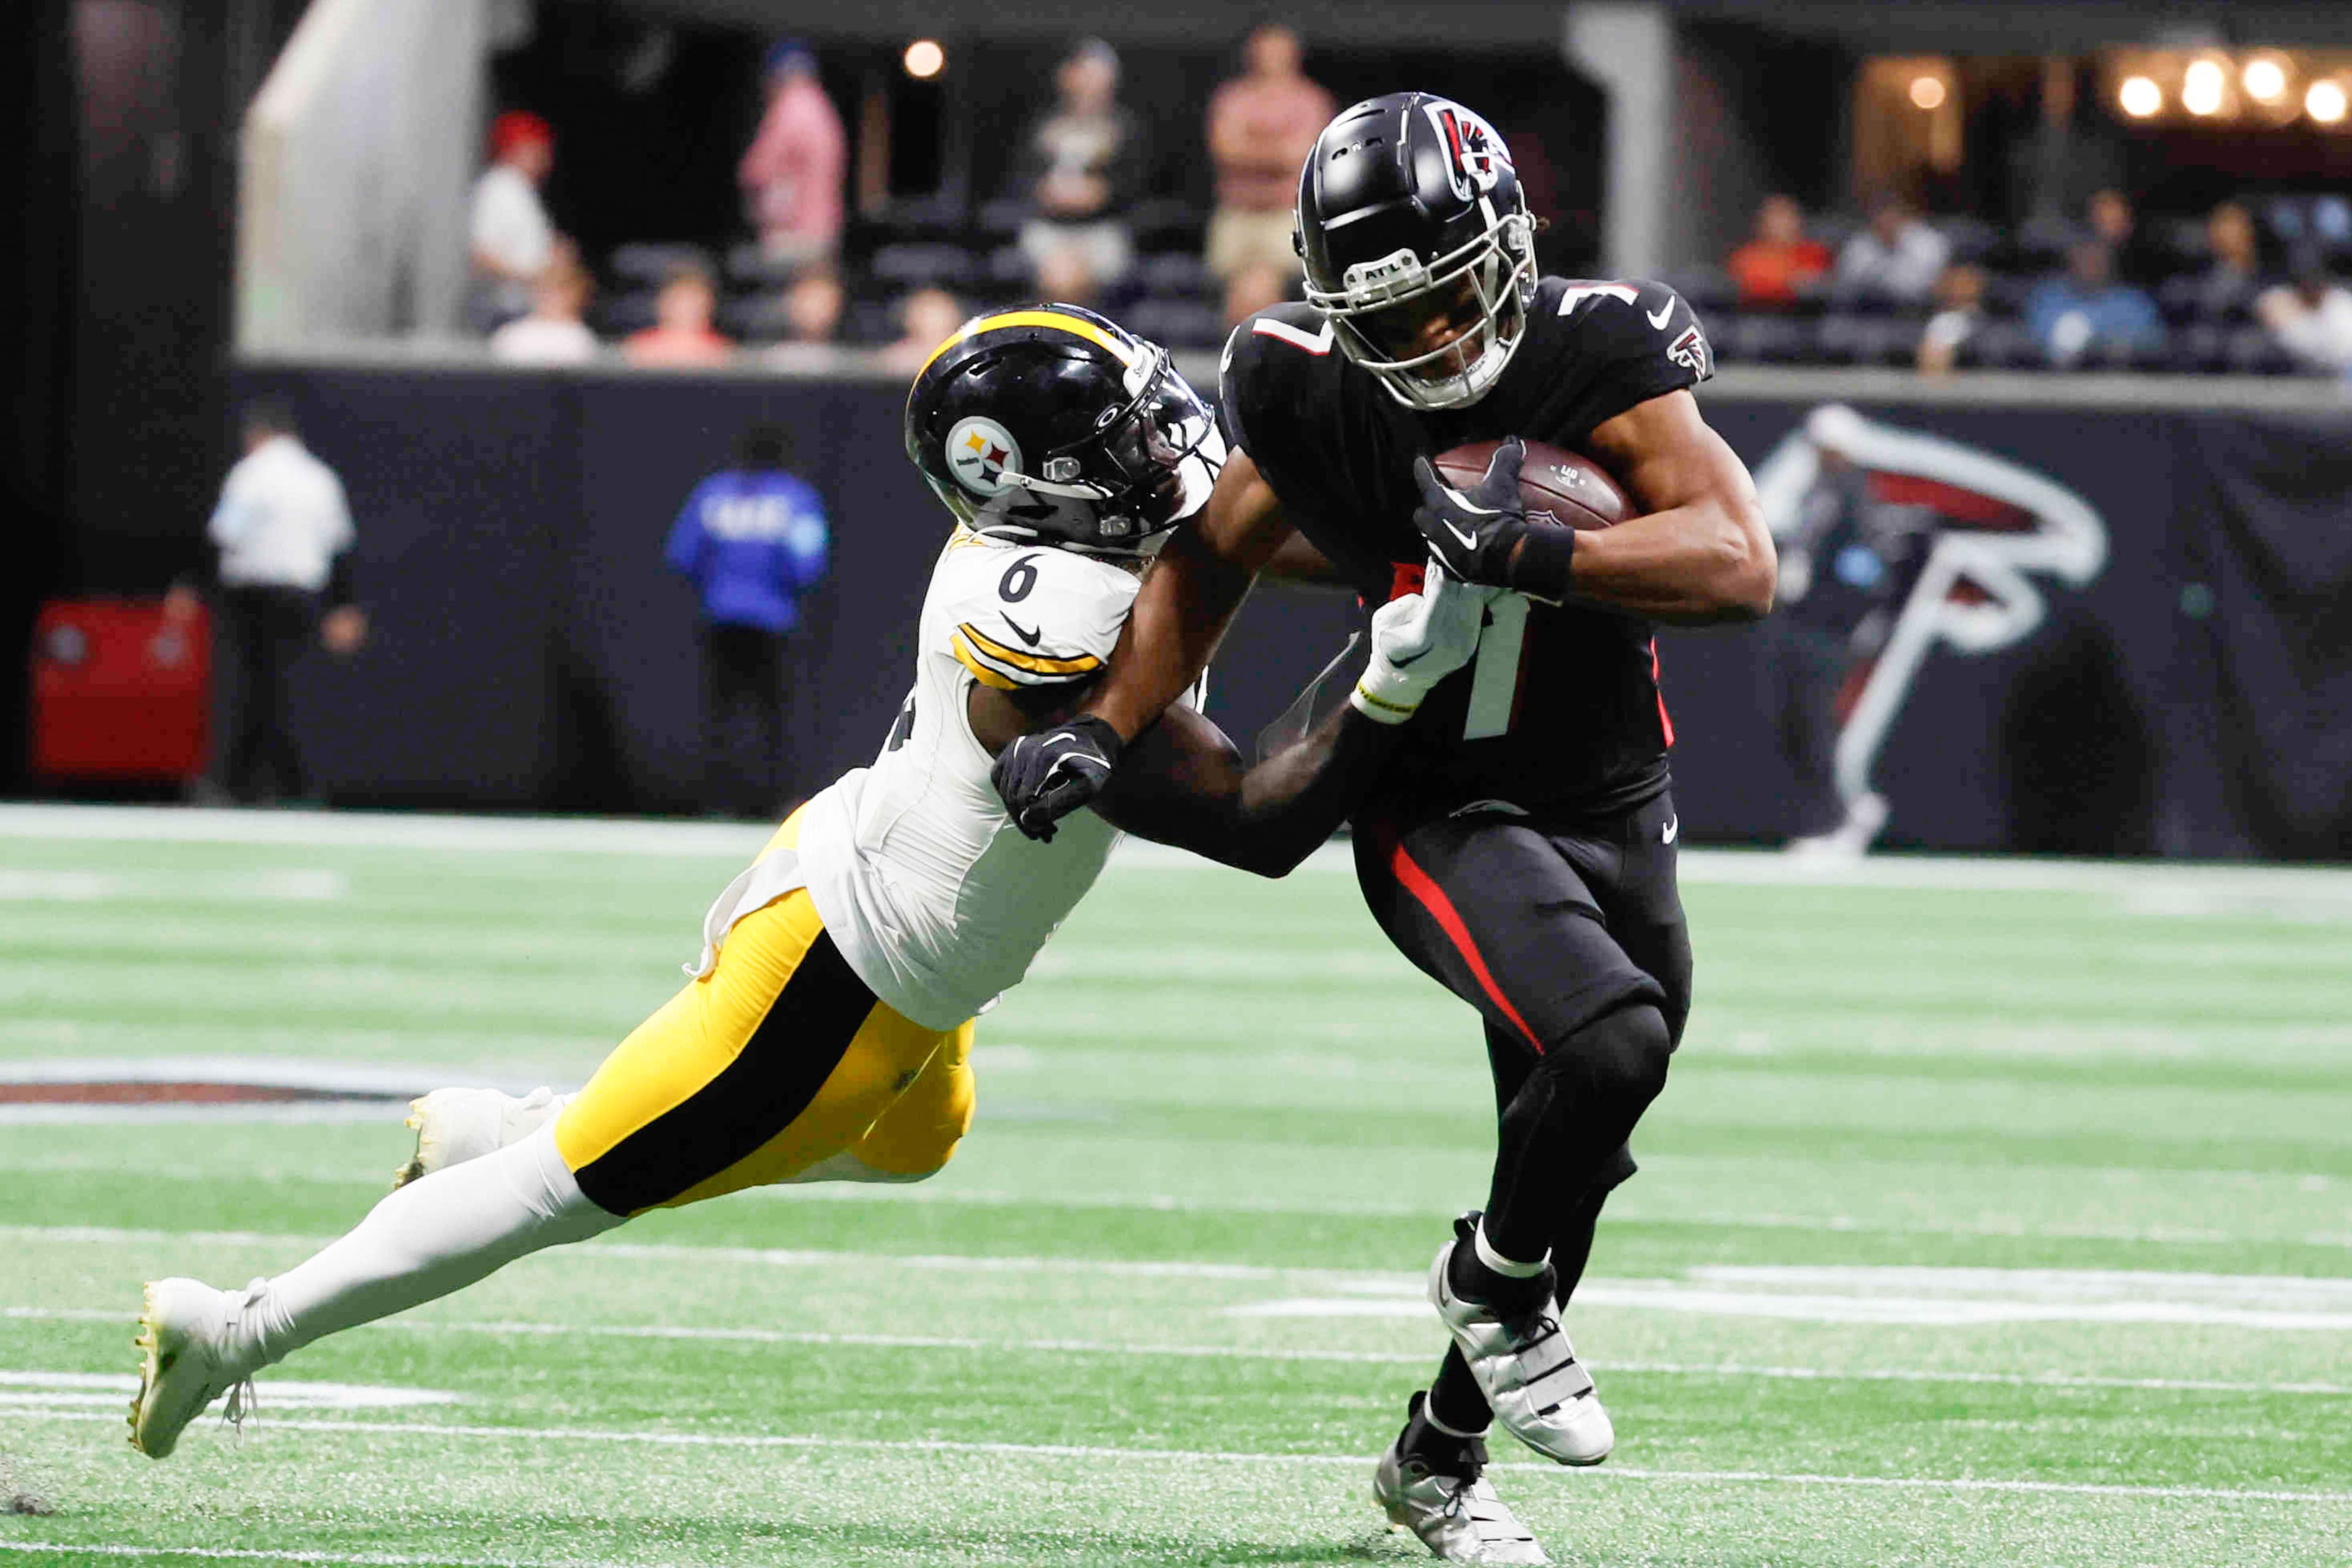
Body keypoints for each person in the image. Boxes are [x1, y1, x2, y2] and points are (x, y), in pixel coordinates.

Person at [126, 306, 1488, 1474]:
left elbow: (1250, 530)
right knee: (564, 1193)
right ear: (1043, 484)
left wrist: (1445, 528)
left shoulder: (1078, 537)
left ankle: (522, 1121)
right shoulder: (1044, 634)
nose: (1166, 447)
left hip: (876, 905)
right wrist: (1391, 679)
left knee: (919, 1138)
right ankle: (233, 1324)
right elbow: (1259, 819)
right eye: (1129, 440)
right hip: (836, 984)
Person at [989, 94, 1773, 1565]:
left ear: (1510, 247)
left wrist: (1537, 547)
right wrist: (1103, 719)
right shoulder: (1297, 379)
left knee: (1575, 1140)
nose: (1425, 345)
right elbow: (1207, 554)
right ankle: (1483, 1275)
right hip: (1432, 791)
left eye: (1448, 302)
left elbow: (1739, 561)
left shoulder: (1599, 346)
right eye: (1388, 318)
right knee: (1602, 1045)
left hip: (1611, 794)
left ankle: (1439, 1458)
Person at [167, 402, 367, 805]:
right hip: (301, 596)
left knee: (255, 690)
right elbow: (339, 549)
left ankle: (257, 783)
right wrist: (342, 606)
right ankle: (270, 784)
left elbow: (225, 535)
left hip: (255, 596)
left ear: (258, 435)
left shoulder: (251, 475)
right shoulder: (319, 479)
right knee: (280, 690)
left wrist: (190, 585)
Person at [664, 425, 831, 817]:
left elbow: (682, 554)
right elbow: (809, 563)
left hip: (721, 617)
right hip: (773, 621)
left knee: (721, 716)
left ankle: (718, 803)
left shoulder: (713, 493)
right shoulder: (796, 499)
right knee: (776, 717)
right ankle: (780, 804)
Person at [1015, 40, 1145, 305]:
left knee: (1079, 276)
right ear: (1067, 77)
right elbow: (1022, 176)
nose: (1090, 83)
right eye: (1083, 73)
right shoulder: (1043, 124)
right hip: (1048, 228)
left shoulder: (1126, 128)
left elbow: (1136, 182)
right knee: (1059, 275)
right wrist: (1044, 191)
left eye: (1098, 75)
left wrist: (1103, 193)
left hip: (1103, 230)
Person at [1204, 24, 1332, 285]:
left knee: (1264, 290)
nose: (1271, 57)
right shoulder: (1233, 98)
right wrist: (1279, 149)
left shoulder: (1311, 100)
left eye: (1279, 51)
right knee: (1234, 296)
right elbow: (1226, 151)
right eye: (1266, 50)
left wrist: (1251, 145)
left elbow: (1302, 156)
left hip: (1286, 217)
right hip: (1237, 214)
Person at [737, 39, 846, 271]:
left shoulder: (791, 106)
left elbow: (756, 171)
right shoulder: (823, 106)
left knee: (781, 303)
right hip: (824, 229)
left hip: (793, 233)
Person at [469, 111, 560, 328]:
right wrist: (536, 276)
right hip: (503, 310)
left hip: (525, 307)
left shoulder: (522, 189)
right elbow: (481, 257)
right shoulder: (498, 188)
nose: (545, 157)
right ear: (515, 149)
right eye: (537, 148)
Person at [2024, 238, 2162, 365]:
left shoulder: (2133, 303)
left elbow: (2155, 346)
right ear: (2070, 261)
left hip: (2120, 382)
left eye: (2097, 259)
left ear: (2110, 263)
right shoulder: (2048, 299)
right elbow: (2029, 342)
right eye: (2084, 259)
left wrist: (2115, 347)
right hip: (2053, 382)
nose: (2091, 266)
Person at [488, 249, 598, 365]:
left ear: (578, 295)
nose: (550, 296)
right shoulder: (509, 336)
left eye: (560, 289)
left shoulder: (583, 341)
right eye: (545, 288)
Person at [1834, 192, 1948, 302]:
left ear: (1902, 217)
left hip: (1917, 308)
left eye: (1891, 217)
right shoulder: (1858, 245)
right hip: (1867, 309)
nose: (1886, 224)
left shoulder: (1928, 242)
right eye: (1880, 217)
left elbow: (1933, 281)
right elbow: (1848, 282)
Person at [2256, 244, 2352, 374]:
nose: (2310, 286)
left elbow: (2343, 352)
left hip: (2337, 376)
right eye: (2304, 280)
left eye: (2314, 280)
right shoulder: (2278, 299)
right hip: (2293, 375)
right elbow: (2289, 345)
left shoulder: (2342, 303)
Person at [1727, 193, 1831, 308]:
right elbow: (1751, 286)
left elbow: (1819, 286)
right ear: (1762, 223)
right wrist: (1790, 282)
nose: (1783, 223)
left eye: (1789, 216)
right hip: (1759, 318)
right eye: (1776, 216)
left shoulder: (1815, 253)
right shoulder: (1747, 257)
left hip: (1804, 318)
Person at [624, 264, 734, 367]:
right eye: (680, 299)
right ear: (663, 303)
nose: (686, 308)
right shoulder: (639, 349)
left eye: (694, 300)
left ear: (709, 304)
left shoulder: (723, 353)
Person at [1915, 263, 1986, 375]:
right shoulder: (1940, 321)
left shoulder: (1987, 322)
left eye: (1966, 283)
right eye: (1955, 282)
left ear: (1978, 287)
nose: (1959, 289)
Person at [877, 287, 967, 374]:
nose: (934, 322)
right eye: (928, 315)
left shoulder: (964, 357)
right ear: (910, 322)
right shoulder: (894, 360)